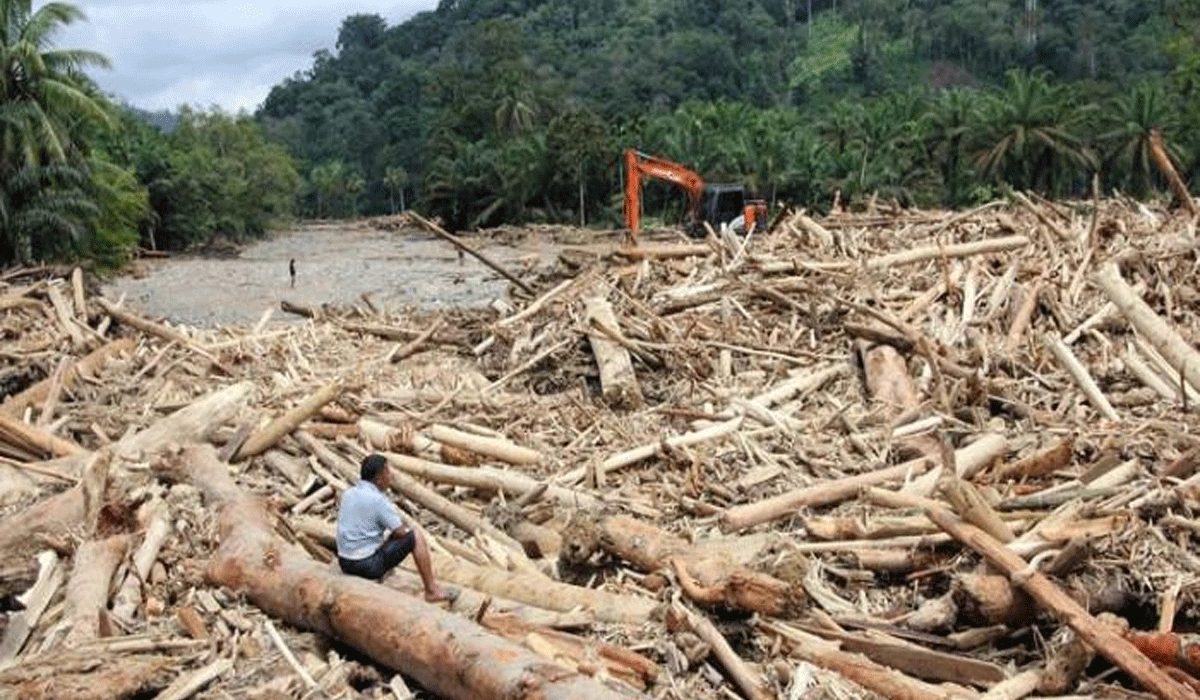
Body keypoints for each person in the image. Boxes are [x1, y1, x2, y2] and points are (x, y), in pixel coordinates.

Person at [336, 454, 451, 602]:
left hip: (345, 561)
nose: (391, 476)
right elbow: (400, 531)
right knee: (415, 536)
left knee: (386, 538)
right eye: (388, 472)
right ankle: (431, 590)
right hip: (366, 565)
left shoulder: (348, 493)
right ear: (379, 478)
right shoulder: (378, 500)